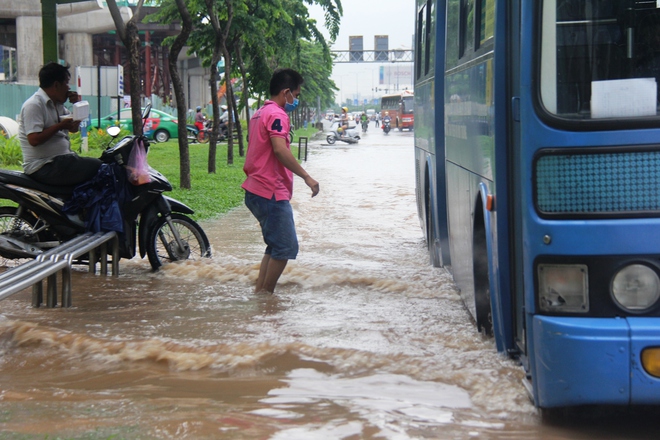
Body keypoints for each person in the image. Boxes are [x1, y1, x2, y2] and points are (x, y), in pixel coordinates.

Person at [242, 68, 320, 294]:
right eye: (295, 94)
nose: (295, 99)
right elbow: (279, 150)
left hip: (256, 189)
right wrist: (306, 177)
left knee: (275, 245)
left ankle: (261, 294)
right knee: (286, 247)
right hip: (270, 191)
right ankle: (266, 297)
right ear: (286, 92)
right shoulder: (277, 115)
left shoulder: (259, 113)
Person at [18, 62, 102, 187]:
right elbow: (34, 139)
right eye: (66, 83)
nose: (68, 88)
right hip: (43, 166)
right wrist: (59, 126)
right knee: (98, 167)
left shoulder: (58, 105)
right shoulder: (34, 105)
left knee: (101, 165)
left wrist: (77, 106)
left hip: (60, 161)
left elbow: (73, 128)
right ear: (56, 85)